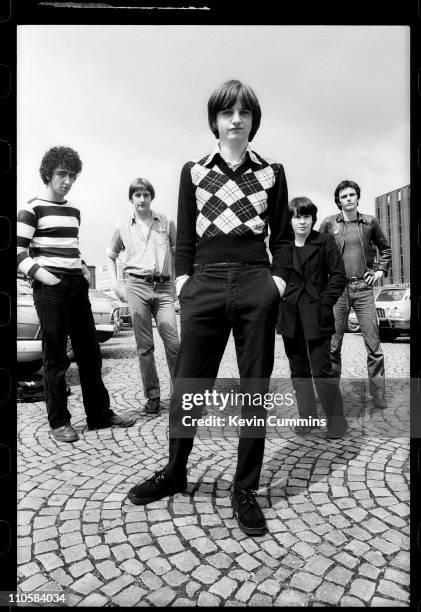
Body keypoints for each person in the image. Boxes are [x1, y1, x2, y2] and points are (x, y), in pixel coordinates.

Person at [126, 79, 293, 536]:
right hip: (204, 282)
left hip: (255, 280)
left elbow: (281, 238)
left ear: (253, 120)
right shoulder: (194, 171)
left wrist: (275, 283)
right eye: (226, 112)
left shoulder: (272, 172)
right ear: (215, 121)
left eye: (243, 112)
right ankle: (175, 471)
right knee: (189, 385)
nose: (235, 119)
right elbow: (185, 238)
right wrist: (184, 283)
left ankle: (245, 488)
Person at [17, 146, 134, 443]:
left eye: (72, 175)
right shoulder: (31, 209)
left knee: (90, 353)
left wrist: (81, 266)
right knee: (56, 357)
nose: (67, 181)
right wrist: (46, 277)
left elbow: (70, 246)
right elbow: (18, 253)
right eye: (62, 174)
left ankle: (99, 415)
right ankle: (59, 422)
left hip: (76, 286)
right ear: (48, 173)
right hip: (51, 289)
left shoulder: (73, 211)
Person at [106, 177, 180, 414]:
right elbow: (110, 255)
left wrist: (177, 288)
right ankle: (153, 396)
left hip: (163, 288)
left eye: (146, 194)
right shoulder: (121, 227)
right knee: (144, 346)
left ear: (151, 197)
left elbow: (177, 256)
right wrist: (117, 285)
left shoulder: (167, 223)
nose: (142, 199)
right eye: (137, 195)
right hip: (136, 287)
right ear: (131, 199)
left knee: (173, 343)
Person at [277, 197, 347, 438]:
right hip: (289, 316)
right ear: (290, 220)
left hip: (317, 315)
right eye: (297, 217)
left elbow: (338, 276)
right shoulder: (282, 246)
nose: (302, 221)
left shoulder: (324, 241)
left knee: (322, 371)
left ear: (313, 219)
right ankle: (307, 419)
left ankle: (337, 423)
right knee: (298, 372)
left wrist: (324, 303)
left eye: (306, 216)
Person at [319, 180, 392, 410]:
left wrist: (379, 270)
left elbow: (385, 248)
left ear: (357, 198)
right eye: (344, 196)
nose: (349, 199)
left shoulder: (370, 222)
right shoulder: (329, 223)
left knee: (374, 345)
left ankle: (378, 394)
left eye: (352, 195)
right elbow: (317, 252)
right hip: (337, 291)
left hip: (363, 289)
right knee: (332, 345)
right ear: (338, 200)